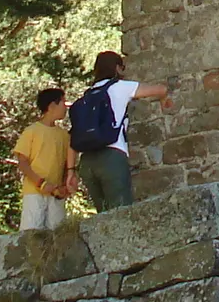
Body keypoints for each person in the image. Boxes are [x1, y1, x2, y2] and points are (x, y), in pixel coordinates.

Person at [69, 51, 168, 212]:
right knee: (121, 214)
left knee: (102, 215)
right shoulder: (120, 87)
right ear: (117, 68)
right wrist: (164, 99)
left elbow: (72, 138)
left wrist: (70, 171)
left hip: (87, 162)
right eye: (123, 67)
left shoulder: (86, 97)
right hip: (112, 156)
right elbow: (160, 89)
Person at [12, 88, 74, 231]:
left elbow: (66, 164)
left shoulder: (64, 135)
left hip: (56, 195)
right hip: (34, 194)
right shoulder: (31, 131)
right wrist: (40, 183)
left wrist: (64, 185)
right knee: (30, 237)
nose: (66, 107)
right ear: (52, 106)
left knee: (56, 237)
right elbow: (22, 162)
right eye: (63, 102)